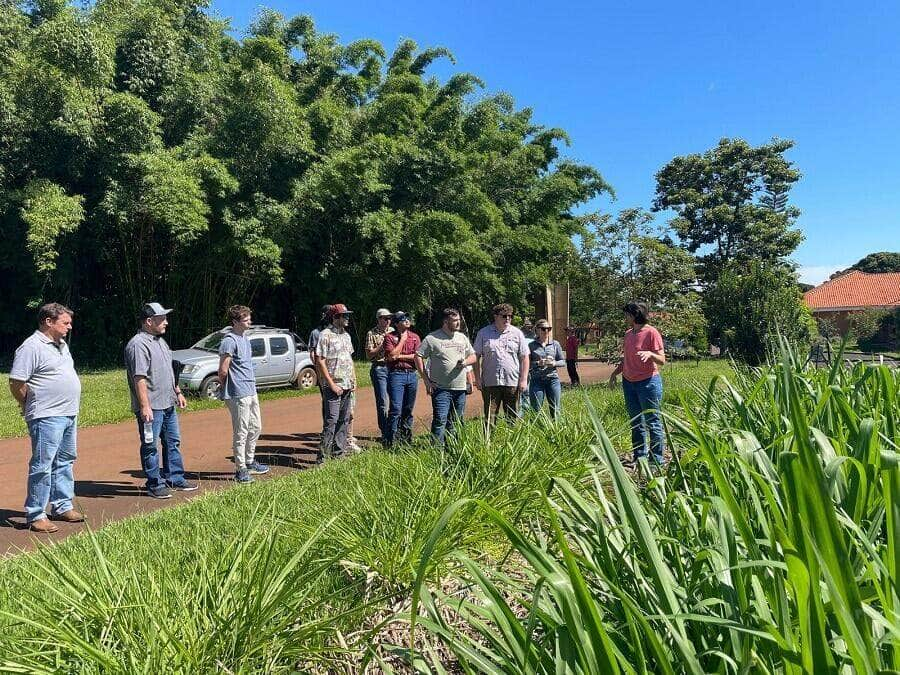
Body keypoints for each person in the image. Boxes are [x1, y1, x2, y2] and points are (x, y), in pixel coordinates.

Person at [9, 303, 84, 533]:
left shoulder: (62, 345)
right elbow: (16, 382)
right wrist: (28, 404)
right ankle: (35, 514)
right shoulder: (31, 347)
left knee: (65, 460)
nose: (69, 327)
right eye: (65, 322)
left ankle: (62, 505)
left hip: (68, 413)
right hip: (46, 415)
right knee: (43, 465)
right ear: (48, 322)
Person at [125, 302, 199, 499]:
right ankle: (154, 483)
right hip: (151, 407)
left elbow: (168, 371)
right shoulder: (137, 345)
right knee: (150, 445)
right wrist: (144, 406)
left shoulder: (160, 341)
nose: (166, 322)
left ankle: (175, 477)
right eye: (162, 319)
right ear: (149, 321)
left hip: (168, 403)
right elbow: (139, 377)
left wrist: (178, 392)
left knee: (172, 441)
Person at [607, 302, 667, 467]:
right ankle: (639, 457)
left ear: (634, 315)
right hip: (629, 383)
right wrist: (614, 374)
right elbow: (627, 359)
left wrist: (650, 354)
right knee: (636, 421)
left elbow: (662, 359)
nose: (625, 317)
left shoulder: (651, 332)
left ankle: (656, 461)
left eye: (627, 314)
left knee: (652, 421)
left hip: (648, 383)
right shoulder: (628, 334)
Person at [218, 305, 268, 484]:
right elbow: (223, 370)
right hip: (238, 393)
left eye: (249, 318)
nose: (249, 321)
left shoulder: (245, 338)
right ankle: (241, 470)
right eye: (246, 319)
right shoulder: (229, 341)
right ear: (235, 322)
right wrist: (227, 389)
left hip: (250, 389)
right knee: (241, 431)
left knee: (256, 427)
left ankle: (250, 460)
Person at [416, 308, 476, 446]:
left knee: (456, 420)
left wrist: (465, 363)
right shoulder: (432, 338)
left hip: (460, 388)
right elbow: (418, 356)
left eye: (459, 320)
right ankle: (437, 451)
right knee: (440, 419)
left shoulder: (462, 337)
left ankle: (454, 448)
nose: (458, 323)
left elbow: (473, 355)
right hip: (441, 388)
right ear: (445, 322)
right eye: (455, 320)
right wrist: (426, 380)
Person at [473, 303, 529, 425]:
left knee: (512, 416)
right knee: (490, 417)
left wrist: (524, 379)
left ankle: (513, 441)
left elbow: (525, 357)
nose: (507, 318)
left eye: (510, 316)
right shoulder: (483, 333)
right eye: (504, 316)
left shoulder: (517, 333)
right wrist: (477, 378)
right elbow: (475, 356)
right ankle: (488, 442)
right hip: (490, 382)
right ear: (495, 316)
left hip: (512, 382)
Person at [315, 303, 356, 462]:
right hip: (333, 385)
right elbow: (320, 360)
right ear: (335, 317)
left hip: (347, 384)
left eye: (347, 315)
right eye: (344, 315)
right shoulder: (325, 335)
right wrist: (331, 384)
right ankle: (322, 458)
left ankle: (338, 454)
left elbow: (349, 359)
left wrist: (354, 379)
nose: (347, 318)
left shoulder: (346, 335)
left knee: (344, 420)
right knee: (331, 421)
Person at [383, 312, 422, 445]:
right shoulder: (389, 337)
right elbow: (391, 355)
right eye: (402, 319)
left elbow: (418, 356)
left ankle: (405, 440)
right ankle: (390, 441)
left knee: (408, 409)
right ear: (396, 323)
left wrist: (399, 356)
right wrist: (403, 340)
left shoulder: (415, 337)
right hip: (396, 375)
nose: (407, 321)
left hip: (412, 375)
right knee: (395, 409)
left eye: (407, 318)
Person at [365, 308, 394, 444]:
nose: (388, 320)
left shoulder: (393, 330)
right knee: (382, 401)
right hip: (379, 368)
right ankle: (384, 431)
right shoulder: (371, 333)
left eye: (389, 318)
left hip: (393, 367)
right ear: (379, 319)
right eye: (385, 318)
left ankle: (394, 429)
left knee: (396, 399)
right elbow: (369, 355)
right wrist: (383, 345)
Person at [527, 319, 566, 419]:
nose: (546, 331)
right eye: (544, 329)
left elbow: (562, 361)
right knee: (535, 410)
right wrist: (537, 363)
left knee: (555, 409)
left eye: (549, 329)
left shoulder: (555, 344)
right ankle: (535, 432)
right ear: (537, 330)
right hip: (536, 380)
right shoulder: (531, 345)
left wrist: (554, 363)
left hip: (553, 380)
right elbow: (526, 364)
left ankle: (556, 431)